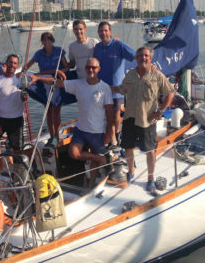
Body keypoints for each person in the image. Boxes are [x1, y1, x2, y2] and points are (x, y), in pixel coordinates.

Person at [30, 57, 113, 188]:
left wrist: (109, 133)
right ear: (85, 68)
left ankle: (91, 184)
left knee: (94, 162)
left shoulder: (105, 88)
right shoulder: (78, 84)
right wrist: (38, 78)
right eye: (88, 67)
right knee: (73, 153)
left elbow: (110, 113)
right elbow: (57, 83)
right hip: (81, 129)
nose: (91, 70)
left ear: (99, 69)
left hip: (97, 131)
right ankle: (102, 158)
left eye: (94, 67)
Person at [111, 47, 174, 192]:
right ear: (136, 58)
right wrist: (103, 86)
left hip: (147, 120)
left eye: (146, 55)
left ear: (150, 58)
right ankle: (131, 171)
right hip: (129, 118)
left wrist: (160, 111)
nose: (143, 58)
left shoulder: (157, 75)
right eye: (140, 55)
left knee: (150, 150)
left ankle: (150, 178)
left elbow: (170, 93)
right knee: (128, 147)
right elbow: (121, 89)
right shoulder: (130, 74)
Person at [93, 21, 135, 148]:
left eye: (106, 30)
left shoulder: (118, 44)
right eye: (101, 31)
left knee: (116, 115)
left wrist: (149, 66)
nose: (103, 33)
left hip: (117, 87)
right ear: (98, 33)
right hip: (101, 87)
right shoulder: (97, 48)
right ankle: (109, 138)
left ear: (110, 32)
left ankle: (116, 137)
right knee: (105, 114)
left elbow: (135, 56)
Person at [24, 32, 69, 148]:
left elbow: (67, 66)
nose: (46, 41)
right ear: (42, 41)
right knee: (48, 111)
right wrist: (21, 73)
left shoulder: (59, 51)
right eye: (44, 39)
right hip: (44, 83)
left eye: (49, 39)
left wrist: (60, 72)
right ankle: (52, 135)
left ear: (52, 40)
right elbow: (27, 66)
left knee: (56, 111)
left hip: (57, 83)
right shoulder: (39, 54)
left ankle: (56, 137)